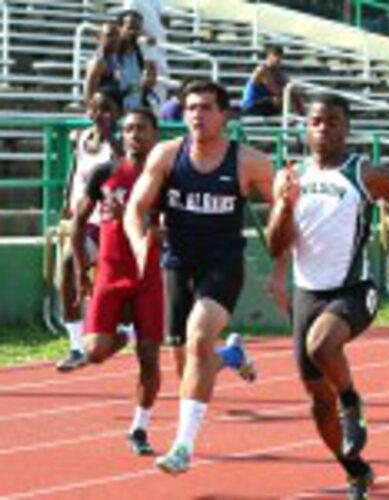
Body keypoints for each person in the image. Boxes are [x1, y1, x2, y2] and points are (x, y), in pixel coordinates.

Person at [265, 94, 389, 499]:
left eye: (332, 121)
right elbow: (276, 245)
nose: (323, 128)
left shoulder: (364, 173)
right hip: (307, 294)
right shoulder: (290, 177)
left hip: (354, 290)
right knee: (316, 404)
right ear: (305, 128)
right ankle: (355, 469)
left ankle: (351, 401)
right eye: (316, 121)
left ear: (346, 128)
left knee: (322, 347)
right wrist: (284, 205)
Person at [124, 80, 275, 473]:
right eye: (191, 107)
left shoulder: (249, 162)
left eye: (206, 107)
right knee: (187, 361)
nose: (197, 115)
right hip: (178, 264)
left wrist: (285, 258)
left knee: (198, 337)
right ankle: (231, 355)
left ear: (223, 115)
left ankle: (182, 448)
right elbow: (135, 208)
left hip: (223, 264)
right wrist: (140, 241)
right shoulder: (166, 155)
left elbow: (288, 207)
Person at [71, 107, 163, 455]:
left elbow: (171, 233)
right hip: (109, 274)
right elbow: (79, 221)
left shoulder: (165, 178)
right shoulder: (104, 172)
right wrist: (82, 269)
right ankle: (122, 334)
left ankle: (139, 428)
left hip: (146, 275)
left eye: (141, 129)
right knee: (93, 352)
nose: (134, 135)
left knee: (150, 358)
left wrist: (138, 221)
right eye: (128, 129)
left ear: (155, 134)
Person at [55, 91, 122, 372]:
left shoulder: (117, 143)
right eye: (94, 108)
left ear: (116, 112)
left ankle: (119, 331)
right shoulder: (81, 137)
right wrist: (66, 199)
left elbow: (123, 167)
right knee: (65, 276)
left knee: (74, 265)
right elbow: (75, 169)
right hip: (80, 219)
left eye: (106, 108)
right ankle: (75, 345)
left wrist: (110, 136)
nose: (99, 114)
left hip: (105, 221)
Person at [241, 45, 303, 117]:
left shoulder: (277, 72)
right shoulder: (262, 70)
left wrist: (294, 90)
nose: (278, 59)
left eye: (280, 57)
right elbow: (275, 90)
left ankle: (301, 117)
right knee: (279, 99)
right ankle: (292, 120)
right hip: (251, 105)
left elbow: (288, 83)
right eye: (275, 56)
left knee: (293, 94)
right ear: (269, 56)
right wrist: (290, 89)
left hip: (264, 103)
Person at [84, 22, 122, 109]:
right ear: (99, 38)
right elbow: (89, 93)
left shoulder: (113, 59)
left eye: (117, 36)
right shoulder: (98, 61)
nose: (114, 39)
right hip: (103, 112)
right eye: (109, 35)